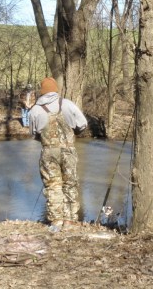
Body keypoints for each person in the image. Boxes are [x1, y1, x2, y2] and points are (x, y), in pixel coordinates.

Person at [29, 77, 88, 231]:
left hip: (48, 152)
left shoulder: (35, 110)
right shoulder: (68, 104)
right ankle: (69, 221)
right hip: (69, 150)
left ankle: (56, 221)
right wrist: (73, 132)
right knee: (70, 184)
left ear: (42, 92)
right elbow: (83, 124)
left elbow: (34, 134)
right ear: (56, 90)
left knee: (53, 186)